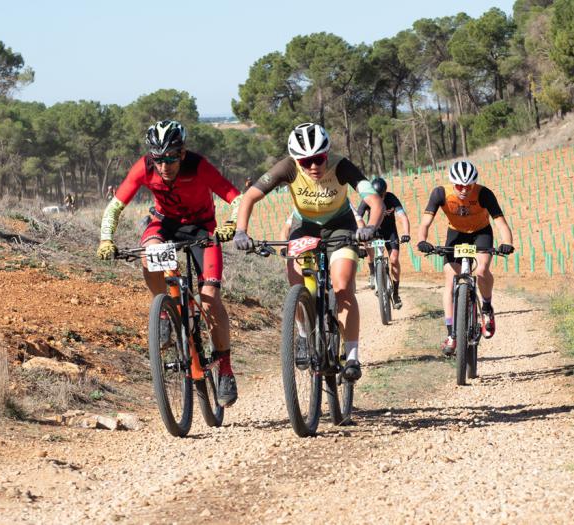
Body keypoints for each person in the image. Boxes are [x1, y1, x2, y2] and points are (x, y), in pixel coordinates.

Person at [96, 120, 242, 407]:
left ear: (183, 153)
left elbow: (235, 197)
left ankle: (225, 369)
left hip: (202, 229)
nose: (164, 166)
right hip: (164, 225)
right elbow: (115, 205)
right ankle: (163, 309)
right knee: (149, 251)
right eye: (158, 159)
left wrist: (232, 224)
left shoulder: (199, 166)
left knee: (210, 299)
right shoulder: (144, 167)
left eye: (171, 158)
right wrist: (105, 239)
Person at [234, 122, 383, 381]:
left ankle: (352, 357)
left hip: (340, 226)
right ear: (296, 160)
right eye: (306, 162)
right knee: (296, 282)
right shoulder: (287, 167)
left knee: (343, 285)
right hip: (304, 227)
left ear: (327, 154)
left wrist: (370, 227)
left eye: (319, 159)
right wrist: (241, 231)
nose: (313, 167)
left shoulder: (342, 166)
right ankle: (304, 333)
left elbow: (375, 201)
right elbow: (249, 197)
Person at [417, 160, 514, 355]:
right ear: (453, 183)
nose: (463, 190)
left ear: (474, 184)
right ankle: (452, 333)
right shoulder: (441, 193)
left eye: (468, 186)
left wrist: (507, 243)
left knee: (482, 269)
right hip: (456, 235)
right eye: (459, 186)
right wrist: (422, 240)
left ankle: (486, 307)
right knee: (450, 281)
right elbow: (425, 222)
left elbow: (501, 223)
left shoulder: (483, 193)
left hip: (480, 232)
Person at [355, 177, 410, 309]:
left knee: (394, 259)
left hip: (390, 231)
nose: (378, 198)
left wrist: (406, 233)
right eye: (376, 195)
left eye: (381, 195)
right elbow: (358, 218)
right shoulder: (368, 199)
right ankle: (373, 273)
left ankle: (396, 293)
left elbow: (402, 216)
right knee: (368, 247)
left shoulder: (391, 198)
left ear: (385, 193)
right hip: (373, 231)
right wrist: (360, 240)